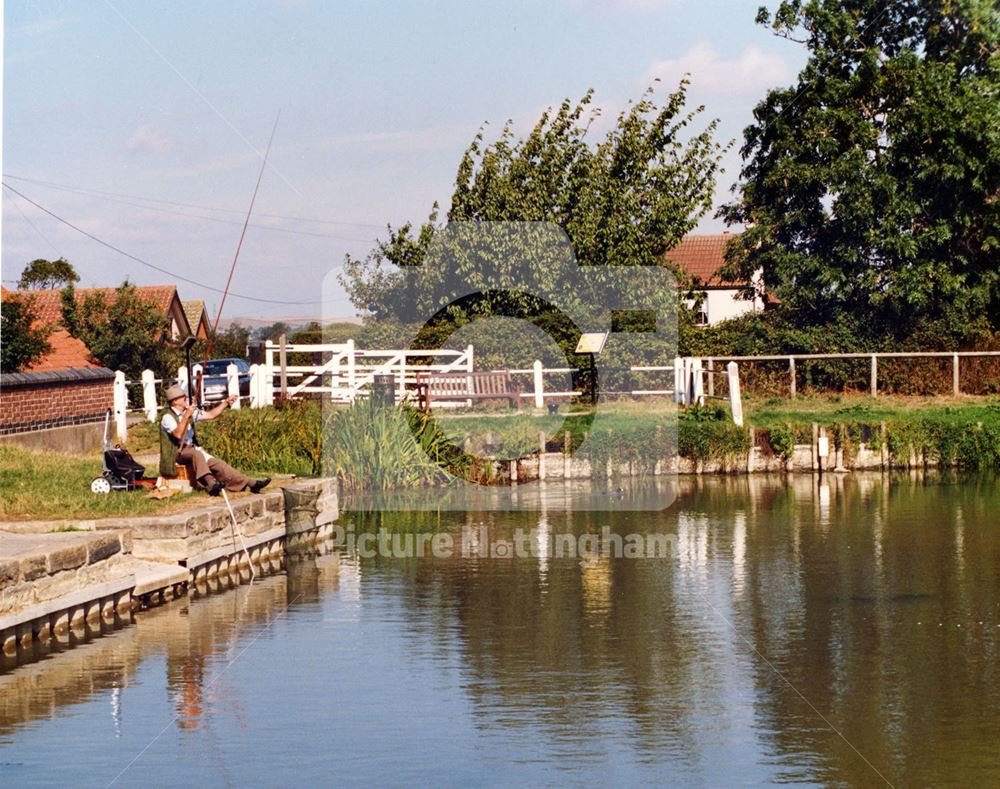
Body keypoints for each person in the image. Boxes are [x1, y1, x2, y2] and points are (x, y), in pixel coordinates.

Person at [159, 383, 270, 496]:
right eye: (183, 397)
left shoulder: (189, 412)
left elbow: (211, 415)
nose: (186, 398)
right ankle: (211, 483)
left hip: (192, 450)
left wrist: (226, 403)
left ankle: (251, 484)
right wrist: (186, 416)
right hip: (176, 452)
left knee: (218, 464)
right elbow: (177, 434)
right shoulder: (167, 417)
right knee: (196, 453)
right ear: (175, 401)